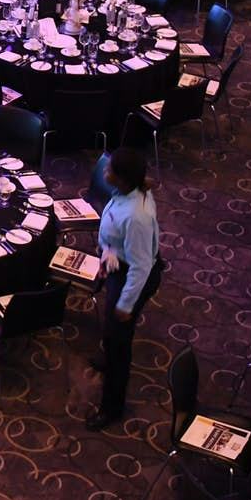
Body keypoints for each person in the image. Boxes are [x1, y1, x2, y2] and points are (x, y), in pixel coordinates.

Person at [86, 148, 164, 431]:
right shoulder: (129, 192)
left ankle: (112, 407)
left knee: (120, 342)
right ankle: (108, 354)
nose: (105, 172)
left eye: (110, 170)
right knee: (111, 330)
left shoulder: (136, 217)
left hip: (133, 277)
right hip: (119, 265)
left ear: (122, 178)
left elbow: (141, 267)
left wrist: (126, 304)